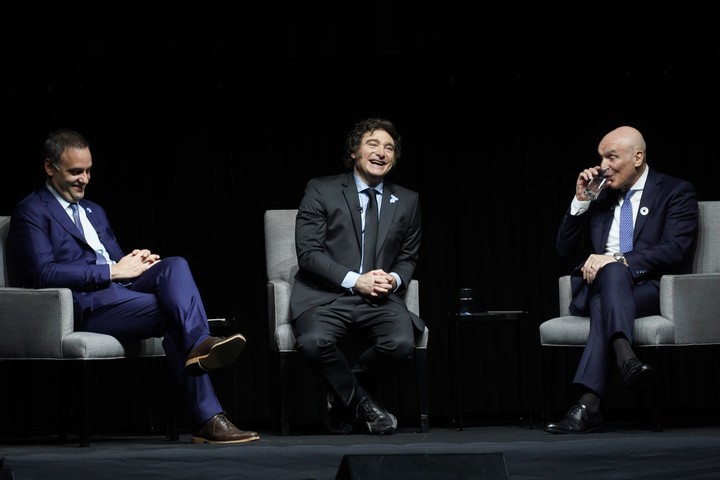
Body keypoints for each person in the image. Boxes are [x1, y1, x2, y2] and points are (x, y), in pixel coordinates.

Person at [7, 129, 260, 444]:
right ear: (50, 168)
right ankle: (208, 419)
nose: (84, 179)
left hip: (120, 291)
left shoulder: (93, 210)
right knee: (172, 314)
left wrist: (134, 261)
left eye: (87, 171)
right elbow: (42, 274)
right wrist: (111, 270)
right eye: (75, 172)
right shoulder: (31, 211)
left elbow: (114, 261)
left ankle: (200, 345)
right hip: (88, 304)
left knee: (175, 264)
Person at [545, 125, 699, 434]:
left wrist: (617, 259)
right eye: (601, 158)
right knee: (610, 277)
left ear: (638, 157)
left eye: (611, 157)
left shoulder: (675, 191)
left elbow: (675, 248)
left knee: (610, 285)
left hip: (650, 289)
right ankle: (626, 359)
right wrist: (582, 201)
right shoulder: (599, 196)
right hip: (597, 286)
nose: (603, 166)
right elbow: (563, 249)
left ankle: (588, 406)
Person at [289, 117, 423, 435]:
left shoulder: (408, 200)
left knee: (402, 343)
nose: (381, 152)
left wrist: (393, 280)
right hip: (326, 295)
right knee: (312, 342)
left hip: (378, 299)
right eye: (373, 144)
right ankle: (365, 405)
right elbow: (308, 254)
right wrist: (354, 279)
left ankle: (343, 396)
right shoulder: (321, 189)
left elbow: (408, 257)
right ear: (354, 152)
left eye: (389, 147)